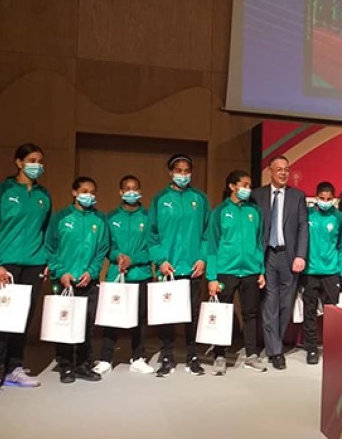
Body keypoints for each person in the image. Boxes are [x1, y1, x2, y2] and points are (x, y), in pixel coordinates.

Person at [0, 143, 51, 397]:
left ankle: (14, 368)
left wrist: (46, 261)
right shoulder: (2, 191)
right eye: (31, 160)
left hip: (33, 264)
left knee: (22, 319)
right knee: (0, 318)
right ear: (19, 163)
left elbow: (46, 232)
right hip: (4, 264)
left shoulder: (44, 195)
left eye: (40, 160)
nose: (37, 165)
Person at [149, 154, 210, 377]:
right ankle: (167, 356)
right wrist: (161, 261)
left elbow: (207, 233)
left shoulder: (200, 199)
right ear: (170, 172)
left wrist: (203, 258)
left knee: (192, 313)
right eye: (179, 170)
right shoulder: (160, 199)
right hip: (169, 269)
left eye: (187, 170)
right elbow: (152, 235)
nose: (183, 174)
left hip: (193, 267)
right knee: (168, 315)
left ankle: (193, 356)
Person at [46, 176, 109, 383]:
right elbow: (51, 248)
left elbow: (102, 250)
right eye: (84, 191)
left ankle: (83, 364)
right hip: (64, 279)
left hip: (88, 281)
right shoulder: (61, 217)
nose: (88, 195)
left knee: (86, 324)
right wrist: (61, 272)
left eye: (92, 192)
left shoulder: (100, 219)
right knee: (64, 322)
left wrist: (91, 271)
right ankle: (65, 365)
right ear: (74, 192)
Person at [206, 170, 267, 375]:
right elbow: (212, 245)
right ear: (232, 187)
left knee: (250, 314)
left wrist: (261, 270)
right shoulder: (220, 211)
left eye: (249, 186)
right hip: (226, 270)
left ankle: (251, 354)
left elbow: (259, 243)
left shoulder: (255, 211)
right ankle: (220, 355)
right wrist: (212, 277)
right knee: (223, 313)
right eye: (244, 185)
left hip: (250, 270)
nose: (247, 189)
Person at [252, 155, 309, 371]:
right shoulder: (257, 195)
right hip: (267, 256)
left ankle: (275, 342)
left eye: (287, 169)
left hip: (289, 256)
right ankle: (275, 350)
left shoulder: (298, 196)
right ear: (270, 171)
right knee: (269, 303)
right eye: (279, 169)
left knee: (286, 304)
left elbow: (304, 227)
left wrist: (301, 255)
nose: (284, 173)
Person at [93, 175, 154, 376]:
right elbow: (106, 247)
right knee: (111, 318)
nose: (131, 192)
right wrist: (117, 256)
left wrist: (133, 259)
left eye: (135, 188)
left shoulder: (148, 217)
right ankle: (105, 358)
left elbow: (152, 249)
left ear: (141, 191)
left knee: (140, 319)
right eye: (127, 188)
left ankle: (138, 357)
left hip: (141, 274)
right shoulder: (110, 218)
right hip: (116, 276)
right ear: (120, 192)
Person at [301, 182, 342, 365]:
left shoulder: (339, 217)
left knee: (332, 313)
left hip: (331, 272)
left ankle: (333, 347)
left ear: (333, 199)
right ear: (316, 197)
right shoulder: (306, 215)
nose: (325, 202)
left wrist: (339, 265)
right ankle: (311, 349)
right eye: (322, 198)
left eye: (329, 199)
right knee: (309, 311)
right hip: (310, 271)